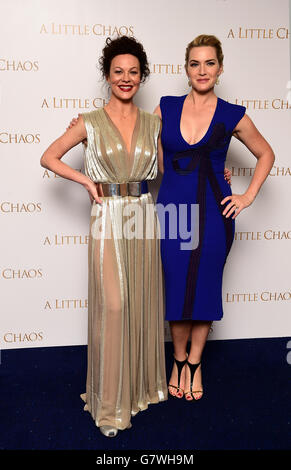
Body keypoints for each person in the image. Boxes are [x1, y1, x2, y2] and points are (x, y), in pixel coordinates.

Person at [40, 35, 168, 437]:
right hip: (108, 216)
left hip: (143, 216)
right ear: (107, 76)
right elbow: (48, 156)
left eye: (133, 72)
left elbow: (175, 167)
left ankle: (140, 390)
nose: (126, 79)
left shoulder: (155, 124)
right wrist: (83, 179)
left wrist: (221, 173)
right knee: (114, 305)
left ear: (142, 77)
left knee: (141, 303)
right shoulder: (88, 122)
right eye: (118, 72)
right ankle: (110, 403)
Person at [154, 34, 275, 401]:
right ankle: (176, 360)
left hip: (213, 211)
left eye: (209, 63)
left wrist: (246, 195)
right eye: (195, 63)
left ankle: (194, 363)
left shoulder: (232, 114)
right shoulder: (165, 107)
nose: (202, 70)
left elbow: (266, 153)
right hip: (173, 209)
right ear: (186, 68)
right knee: (176, 287)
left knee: (205, 287)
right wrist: (87, 128)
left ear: (220, 69)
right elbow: (149, 155)